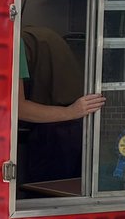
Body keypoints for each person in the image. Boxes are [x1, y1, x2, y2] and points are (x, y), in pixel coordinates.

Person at [17, 25, 104, 184]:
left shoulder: (16, 43)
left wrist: (72, 111)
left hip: (55, 131)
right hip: (68, 128)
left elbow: (18, 108)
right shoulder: (39, 37)